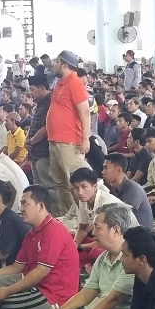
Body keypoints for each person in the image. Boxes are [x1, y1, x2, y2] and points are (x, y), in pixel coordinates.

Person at [0, 186, 79, 309]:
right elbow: (17, 267)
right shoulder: (31, 234)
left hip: (54, 294)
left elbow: (41, 272)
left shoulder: (54, 230)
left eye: (25, 203)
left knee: (9, 305)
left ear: (40, 206)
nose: (21, 208)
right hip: (33, 283)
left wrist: (8, 291)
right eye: (21, 204)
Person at [39, 203, 136, 309]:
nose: (93, 233)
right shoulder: (104, 257)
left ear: (115, 230)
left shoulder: (130, 260)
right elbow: (86, 293)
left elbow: (110, 301)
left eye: (97, 228)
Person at [46, 51, 91, 216]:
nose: (54, 64)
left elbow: (84, 112)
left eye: (57, 61)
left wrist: (85, 139)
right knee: (61, 184)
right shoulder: (61, 83)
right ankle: (69, 217)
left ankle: (84, 218)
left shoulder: (75, 83)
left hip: (69, 141)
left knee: (76, 183)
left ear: (64, 64)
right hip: (55, 140)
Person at [102, 153, 153, 229]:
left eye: (106, 168)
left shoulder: (134, 189)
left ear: (118, 170)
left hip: (140, 236)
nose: (102, 172)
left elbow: (122, 217)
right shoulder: (113, 188)